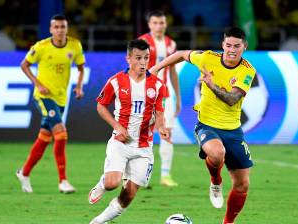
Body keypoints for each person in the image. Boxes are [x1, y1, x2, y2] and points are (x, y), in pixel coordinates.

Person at [150, 27, 255, 224]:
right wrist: (157, 68)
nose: (232, 50)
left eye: (237, 46)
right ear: (223, 45)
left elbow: (232, 99)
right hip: (207, 125)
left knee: (242, 185)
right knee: (217, 153)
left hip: (233, 130)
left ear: (244, 47)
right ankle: (216, 181)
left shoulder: (247, 71)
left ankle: (227, 222)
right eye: (228, 45)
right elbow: (181, 54)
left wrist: (211, 84)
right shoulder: (207, 58)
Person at [88, 39, 170, 224]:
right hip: (120, 142)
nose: (143, 62)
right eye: (138, 58)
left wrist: (162, 127)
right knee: (112, 184)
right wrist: (117, 126)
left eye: (146, 58)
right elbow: (101, 106)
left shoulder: (158, 85)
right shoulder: (116, 81)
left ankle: (99, 221)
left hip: (144, 148)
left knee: (129, 194)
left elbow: (159, 112)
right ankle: (102, 183)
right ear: (128, 59)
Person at [16, 14, 85, 194]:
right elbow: (24, 65)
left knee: (45, 137)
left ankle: (24, 173)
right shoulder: (41, 47)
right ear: (51, 29)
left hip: (61, 98)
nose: (60, 30)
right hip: (43, 96)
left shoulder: (75, 45)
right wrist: (38, 84)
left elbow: (81, 67)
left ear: (66, 29)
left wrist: (78, 87)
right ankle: (63, 181)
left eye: (63, 27)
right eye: (57, 27)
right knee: (60, 133)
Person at [138, 10, 181, 187]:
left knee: (167, 133)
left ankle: (165, 175)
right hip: (143, 95)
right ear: (149, 25)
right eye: (155, 23)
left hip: (164, 95)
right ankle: (139, 175)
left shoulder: (171, 44)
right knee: (140, 134)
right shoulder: (141, 42)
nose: (159, 26)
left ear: (166, 24)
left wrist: (178, 97)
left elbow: (172, 73)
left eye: (161, 22)